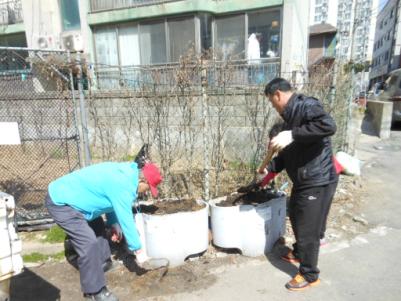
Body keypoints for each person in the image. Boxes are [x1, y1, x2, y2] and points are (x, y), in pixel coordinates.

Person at [45, 161, 162, 301]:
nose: (146, 191)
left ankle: (101, 264)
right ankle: (95, 291)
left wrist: (114, 224)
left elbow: (112, 200)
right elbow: (127, 220)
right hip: (62, 202)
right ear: (142, 180)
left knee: (97, 227)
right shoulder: (124, 184)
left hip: (79, 200)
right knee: (88, 243)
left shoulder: (126, 174)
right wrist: (138, 250)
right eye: (148, 188)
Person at [263, 78, 339, 291]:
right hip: (303, 179)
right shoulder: (289, 119)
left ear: (278, 94)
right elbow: (288, 155)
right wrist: (269, 170)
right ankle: (298, 253)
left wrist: (293, 134)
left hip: (317, 178)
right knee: (296, 216)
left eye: (271, 101)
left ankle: (309, 274)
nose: (273, 106)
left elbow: (328, 125)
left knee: (308, 229)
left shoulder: (306, 106)